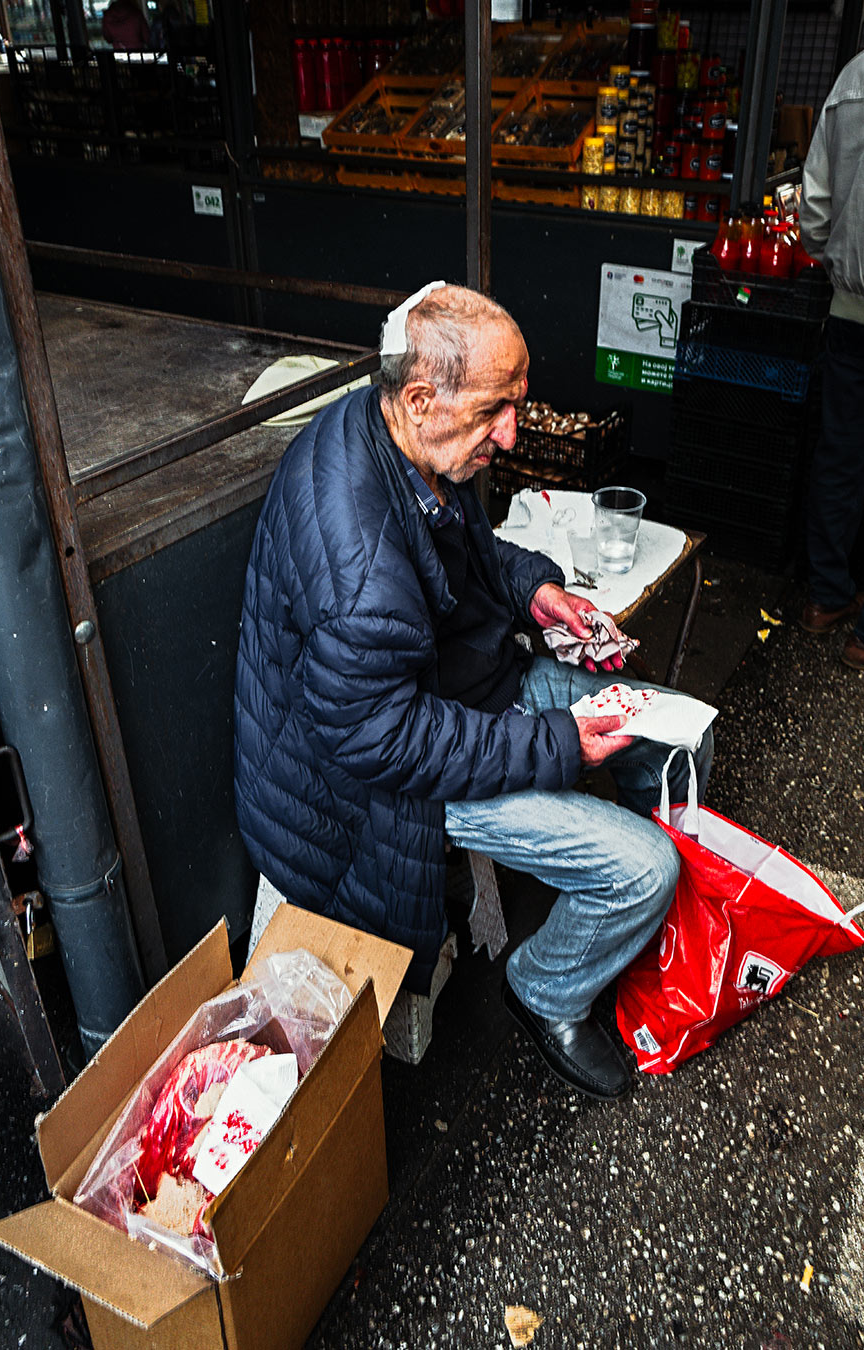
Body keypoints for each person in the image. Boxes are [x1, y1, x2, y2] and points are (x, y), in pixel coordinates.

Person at [234, 284, 712, 1102]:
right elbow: (390, 742)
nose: (512, 433)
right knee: (643, 871)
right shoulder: (359, 560)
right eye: (497, 410)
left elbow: (470, 545)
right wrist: (561, 741)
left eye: (517, 406)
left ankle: (630, 902)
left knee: (678, 736)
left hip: (461, 693)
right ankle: (549, 989)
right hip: (388, 782)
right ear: (422, 398)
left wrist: (535, 592)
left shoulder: (401, 432)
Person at [798, 31, 864, 671]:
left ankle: (825, 598)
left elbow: (814, 208)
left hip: (854, 309)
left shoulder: (859, 74)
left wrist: (837, 255)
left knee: (841, 459)